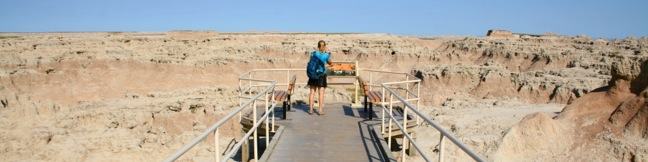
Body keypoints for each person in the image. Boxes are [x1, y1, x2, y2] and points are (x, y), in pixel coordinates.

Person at [308, 40, 332, 115]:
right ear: (324, 46)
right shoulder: (326, 55)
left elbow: (310, 62)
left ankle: (311, 110)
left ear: (318, 46)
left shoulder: (313, 53)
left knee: (312, 92)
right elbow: (330, 63)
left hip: (313, 75)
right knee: (321, 93)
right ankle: (320, 110)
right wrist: (329, 56)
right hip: (321, 75)